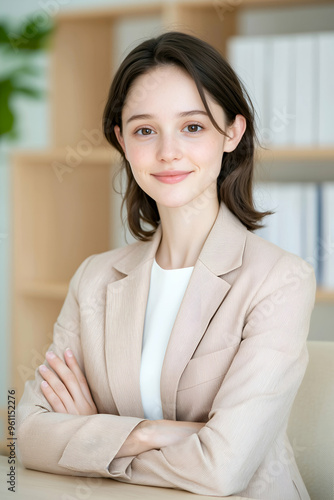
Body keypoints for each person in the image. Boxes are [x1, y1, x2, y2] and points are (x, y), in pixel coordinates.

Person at [17, 31, 316, 499]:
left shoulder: (279, 279)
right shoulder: (94, 278)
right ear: (122, 139)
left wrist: (93, 436)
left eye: (192, 127)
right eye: (144, 130)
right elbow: (25, 433)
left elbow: (222, 469)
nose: (167, 152)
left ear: (232, 133)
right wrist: (155, 432)